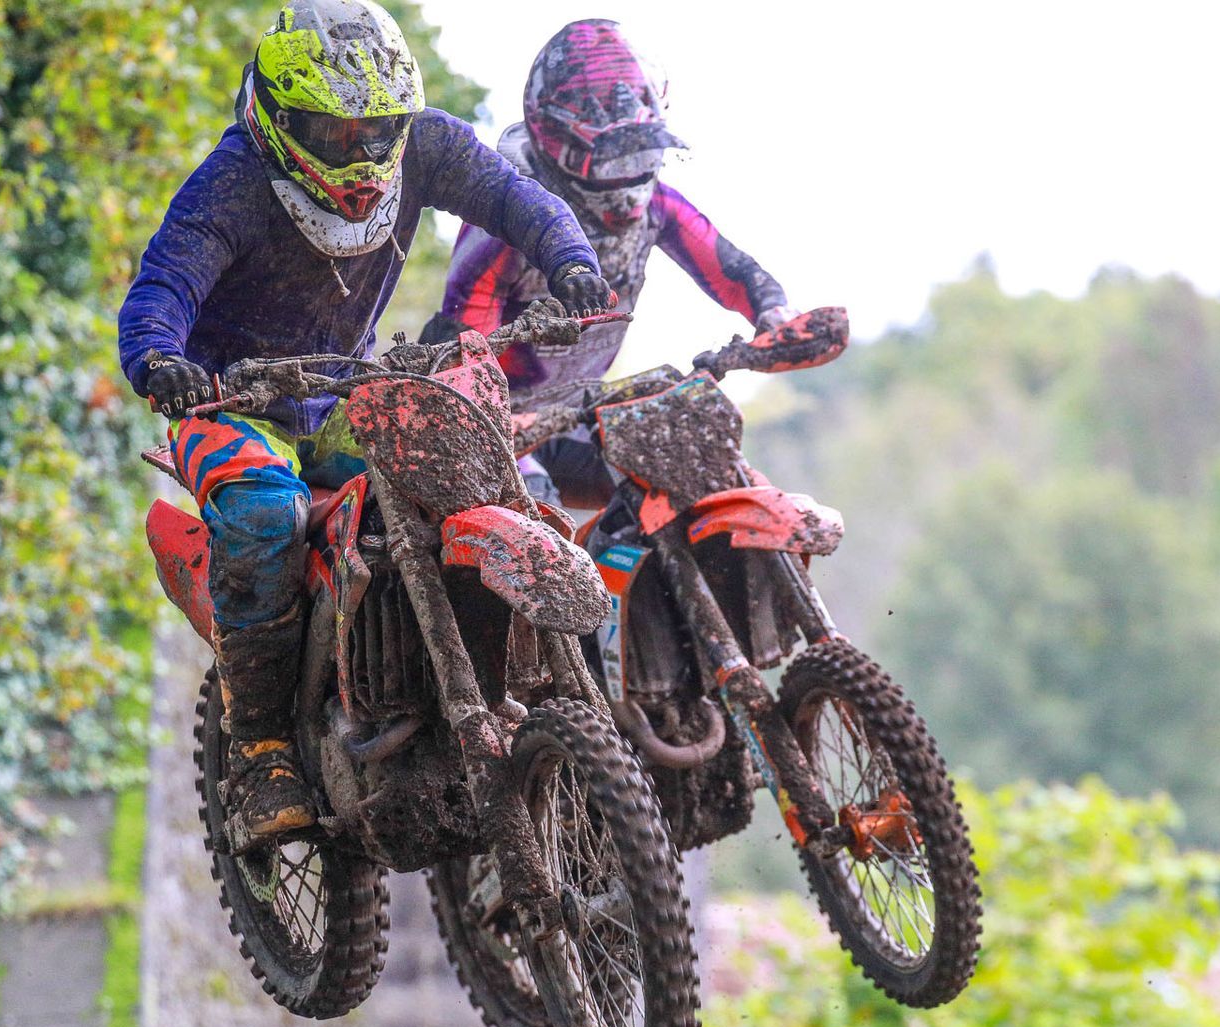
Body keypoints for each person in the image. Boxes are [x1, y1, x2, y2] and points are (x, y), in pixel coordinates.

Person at [118, 0, 613, 855]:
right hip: (228, 404)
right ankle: (261, 751)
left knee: (462, 460)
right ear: (277, 118)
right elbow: (162, 284)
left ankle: (498, 687)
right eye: (330, 130)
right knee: (265, 513)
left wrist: (570, 259)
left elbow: (517, 197)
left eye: (372, 130)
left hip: (344, 391)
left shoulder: (427, 146)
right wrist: (161, 358)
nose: (356, 151)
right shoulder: (233, 181)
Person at [424, 18, 795, 508]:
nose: (629, 173)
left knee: (698, 470)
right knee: (535, 516)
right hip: (485, 418)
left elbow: (733, 271)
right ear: (562, 142)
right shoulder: (513, 213)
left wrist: (775, 314)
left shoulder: (659, 206)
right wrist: (489, 418)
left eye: (640, 152)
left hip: (575, 413)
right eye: (613, 156)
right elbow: (465, 345)